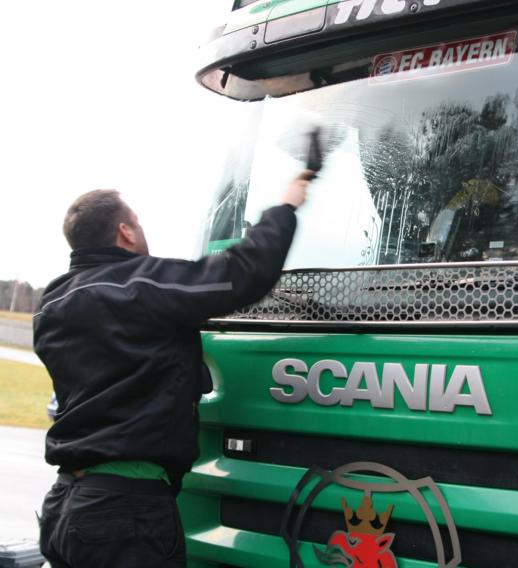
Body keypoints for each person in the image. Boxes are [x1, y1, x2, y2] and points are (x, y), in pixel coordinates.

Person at [34, 171, 313, 568]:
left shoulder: (51, 304)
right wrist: (285, 207)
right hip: (125, 512)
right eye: (137, 221)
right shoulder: (141, 285)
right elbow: (240, 274)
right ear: (126, 231)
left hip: (64, 506)